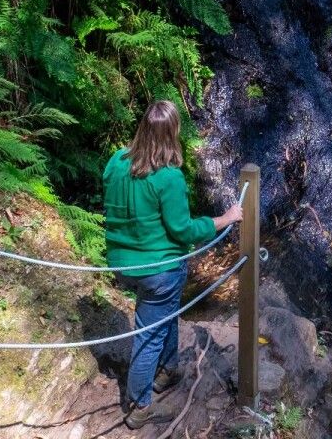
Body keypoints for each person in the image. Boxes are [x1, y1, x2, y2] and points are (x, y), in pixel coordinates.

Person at [103, 100, 243, 429]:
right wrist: (225, 218)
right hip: (159, 270)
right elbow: (182, 229)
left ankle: (168, 370)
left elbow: (114, 199)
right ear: (173, 133)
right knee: (149, 335)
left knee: (164, 311)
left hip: (123, 266)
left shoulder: (116, 162)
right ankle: (139, 406)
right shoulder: (169, 178)